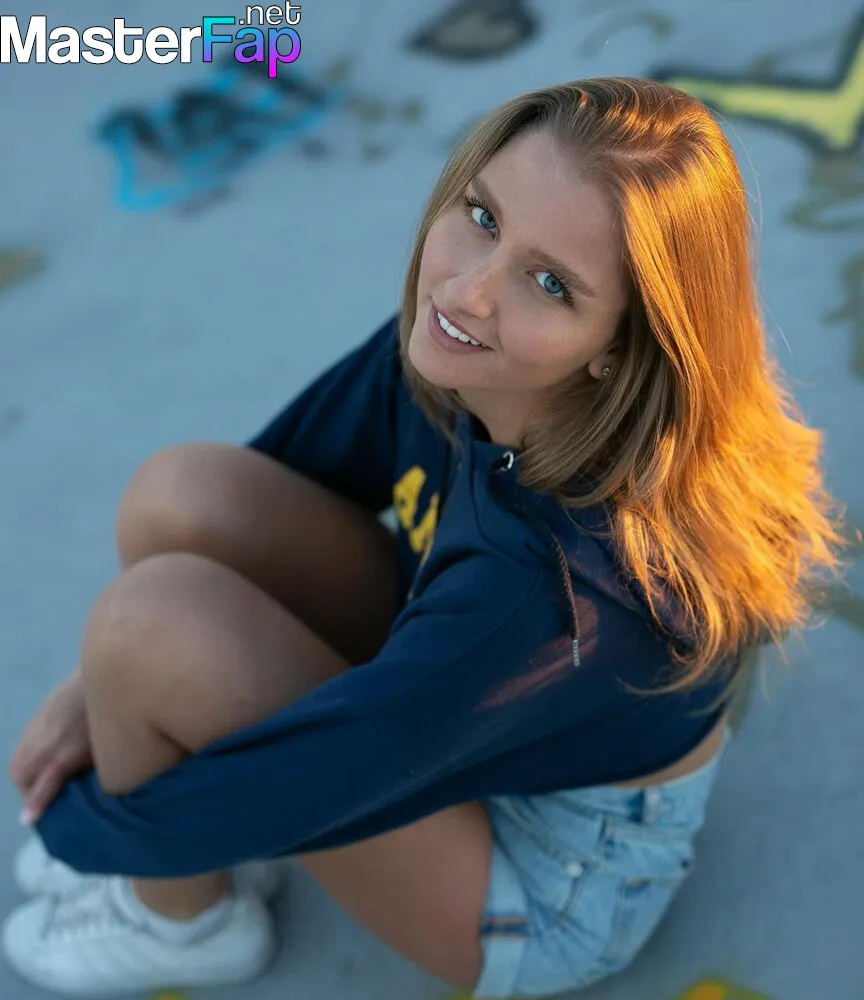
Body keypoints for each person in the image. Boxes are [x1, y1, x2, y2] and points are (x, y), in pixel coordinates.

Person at [3, 77, 851, 998]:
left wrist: (85, 819)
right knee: (180, 499)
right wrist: (101, 697)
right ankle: (168, 794)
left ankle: (181, 924)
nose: (469, 290)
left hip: (550, 880)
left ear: (619, 342)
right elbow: (269, 490)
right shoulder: (466, 350)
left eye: (549, 284)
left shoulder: (553, 592)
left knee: (147, 628)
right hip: (467, 704)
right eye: (483, 217)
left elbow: (328, 775)